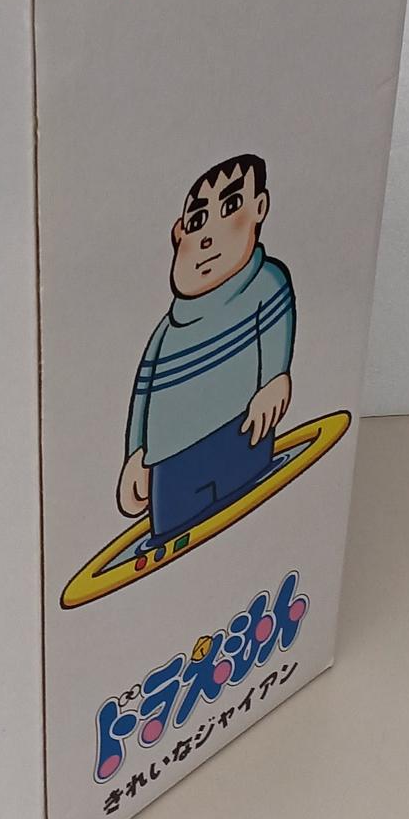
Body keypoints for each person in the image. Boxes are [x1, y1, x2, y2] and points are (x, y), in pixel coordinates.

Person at [118, 154, 295, 546]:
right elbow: (144, 394)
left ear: (259, 209)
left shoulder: (266, 283)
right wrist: (136, 454)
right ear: (179, 234)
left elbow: (276, 328)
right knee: (174, 538)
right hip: (172, 465)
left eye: (231, 207)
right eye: (197, 221)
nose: (208, 237)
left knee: (248, 521)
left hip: (242, 432)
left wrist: (275, 379)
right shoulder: (165, 333)